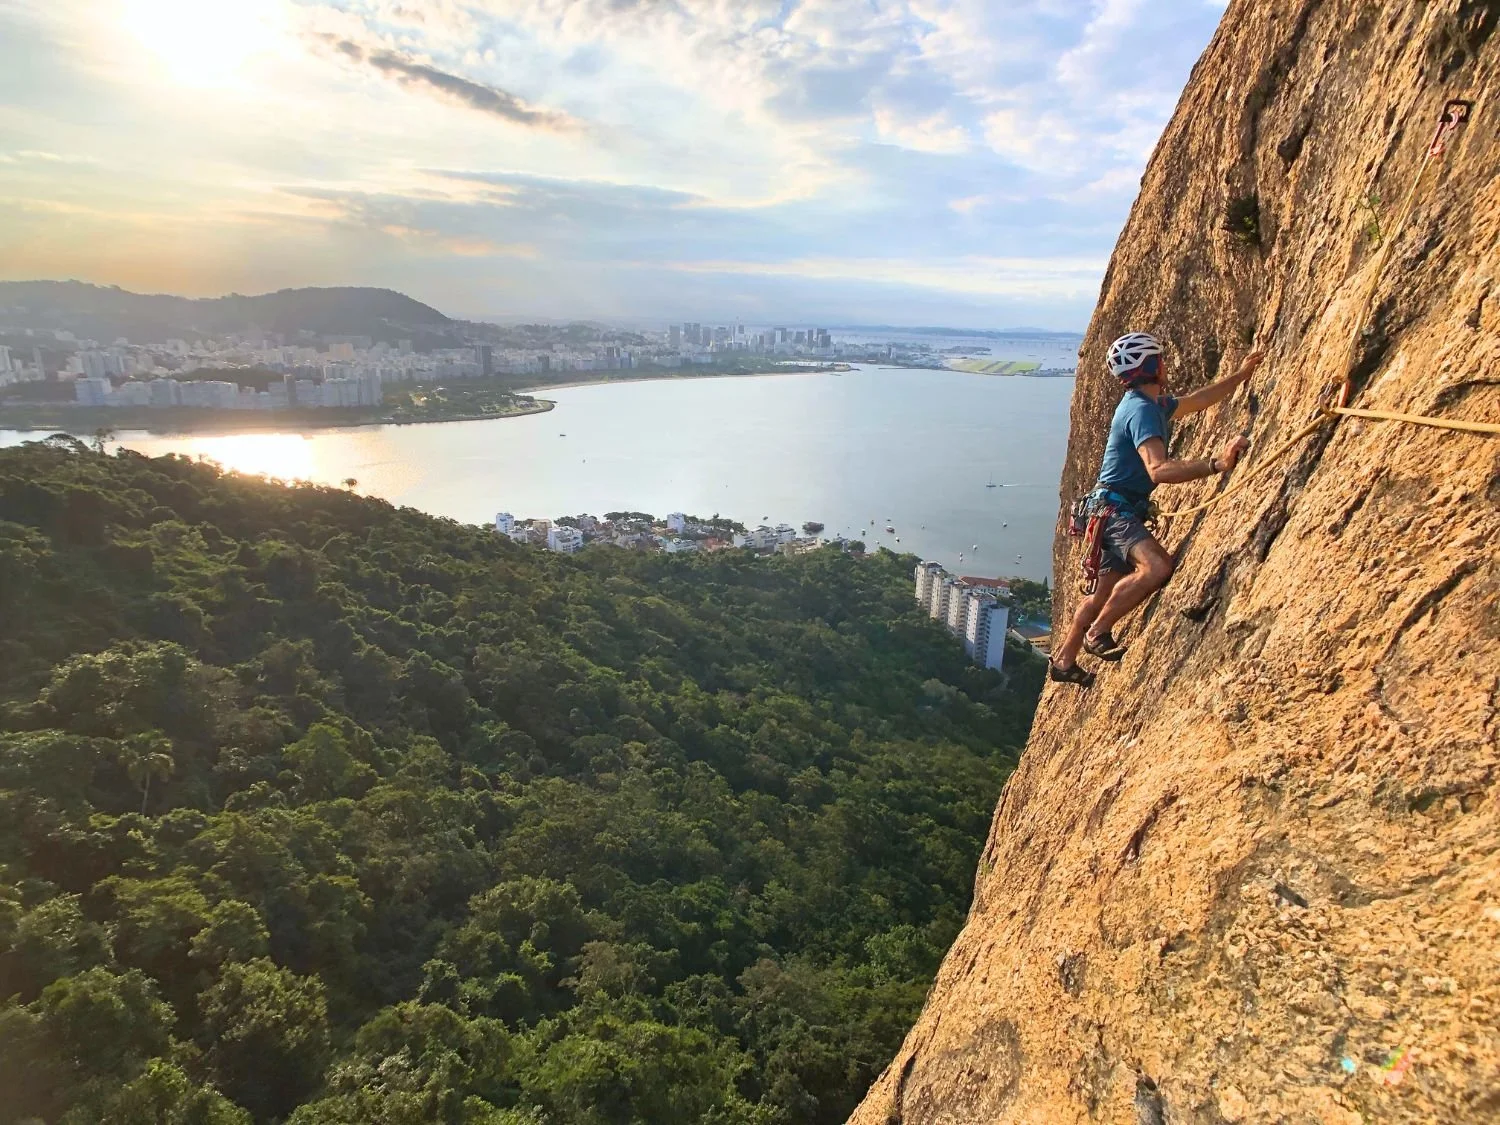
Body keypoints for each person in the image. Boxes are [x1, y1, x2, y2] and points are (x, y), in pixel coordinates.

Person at [1048, 332, 1264, 687]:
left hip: (1105, 511)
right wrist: (1217, 464)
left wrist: (1241, 375)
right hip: (1114, 512)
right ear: (1153, 365)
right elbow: (1158, 470)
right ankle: (1097, 634)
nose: (1166, 365)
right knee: (1156, 566)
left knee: (1101, 592)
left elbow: (1198, 400)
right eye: (1160, 359)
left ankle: (1064, 661)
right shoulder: (1143, 411)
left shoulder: (1148, 404)